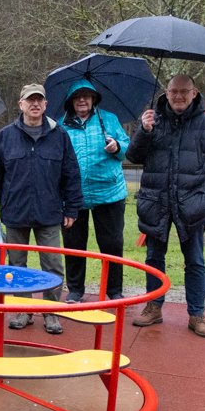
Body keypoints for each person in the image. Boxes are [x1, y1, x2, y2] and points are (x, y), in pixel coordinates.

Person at [126, 74, 205, 338]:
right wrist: (143, 131)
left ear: (194, 93)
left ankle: (197, 314)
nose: (179, 96)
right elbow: (133, 156)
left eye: (184, 91)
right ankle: (153, 306)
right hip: (156, 202)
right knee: (153, 259)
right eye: (174, 91)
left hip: (192, 203)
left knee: (194, 260)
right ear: (166, 93)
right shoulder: (152, 121)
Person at [0, 83, 82, 335]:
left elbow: (71, 174)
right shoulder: (5, 136)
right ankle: (22, 309)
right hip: (15, 212)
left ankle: (50, 312)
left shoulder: (60, 135)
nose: (35, 104)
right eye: (30, 100)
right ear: (21, 104)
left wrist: (72, 208)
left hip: (49, 213)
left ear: (46, 105)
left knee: (52, 264)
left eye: (39, 100)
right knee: (17, 265)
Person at [59, 80, 130, 303]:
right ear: (71, 100)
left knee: (111, 244)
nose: (82, 100)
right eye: (78, 96)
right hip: (73, 195)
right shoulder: (62, 125)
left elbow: (127, 145)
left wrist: (117, 146)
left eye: (87, 96)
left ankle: (113, 290)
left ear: (94, 99)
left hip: (109, 193)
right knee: (74, 245)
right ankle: (75, 290)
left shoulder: (108, 119)